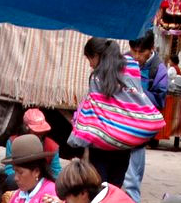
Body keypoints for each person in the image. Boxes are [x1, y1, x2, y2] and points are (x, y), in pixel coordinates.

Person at [68, 38, 163, 188]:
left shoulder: (97, 77)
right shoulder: (131, 67)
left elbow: (93, 111)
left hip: (101, 146)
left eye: (90, 58)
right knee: (114, 189)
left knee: (99, 190)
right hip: (124, 145)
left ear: (97, 55)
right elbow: (135, 99)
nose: (90, 64)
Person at [124, 31, 168, 203]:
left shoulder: (158, 69)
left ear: (151, 49)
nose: (136, 56)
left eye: (141, 52)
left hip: (139, 133)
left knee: (131, 182)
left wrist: (138, 93)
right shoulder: (124, 61)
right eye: (133, 50)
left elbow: (160, 99)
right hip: (119, 127)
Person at [3, 108, 61, 192]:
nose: (40, 135)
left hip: (42, 181)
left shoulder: (52, 147)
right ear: (25, 128)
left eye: (42, 132)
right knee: (11, 181)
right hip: (22, 179)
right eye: (36, 132)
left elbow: (56, 173)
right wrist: (23, 177)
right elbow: (9, 169)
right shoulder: (13, 142)